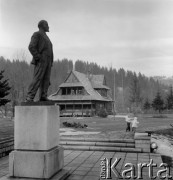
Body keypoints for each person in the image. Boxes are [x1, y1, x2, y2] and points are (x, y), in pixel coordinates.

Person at [25, 20, 53, 102]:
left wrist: (50, 61)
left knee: (46, 79)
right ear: (42, 26)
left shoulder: (46, 37)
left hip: (48, 61)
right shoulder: (37, 34)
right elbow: (31, 46)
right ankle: (30, 96)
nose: (48, 26)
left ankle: (43, 96)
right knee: (37, 78)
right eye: (46, 25)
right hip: (41, 59)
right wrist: (38, 57)